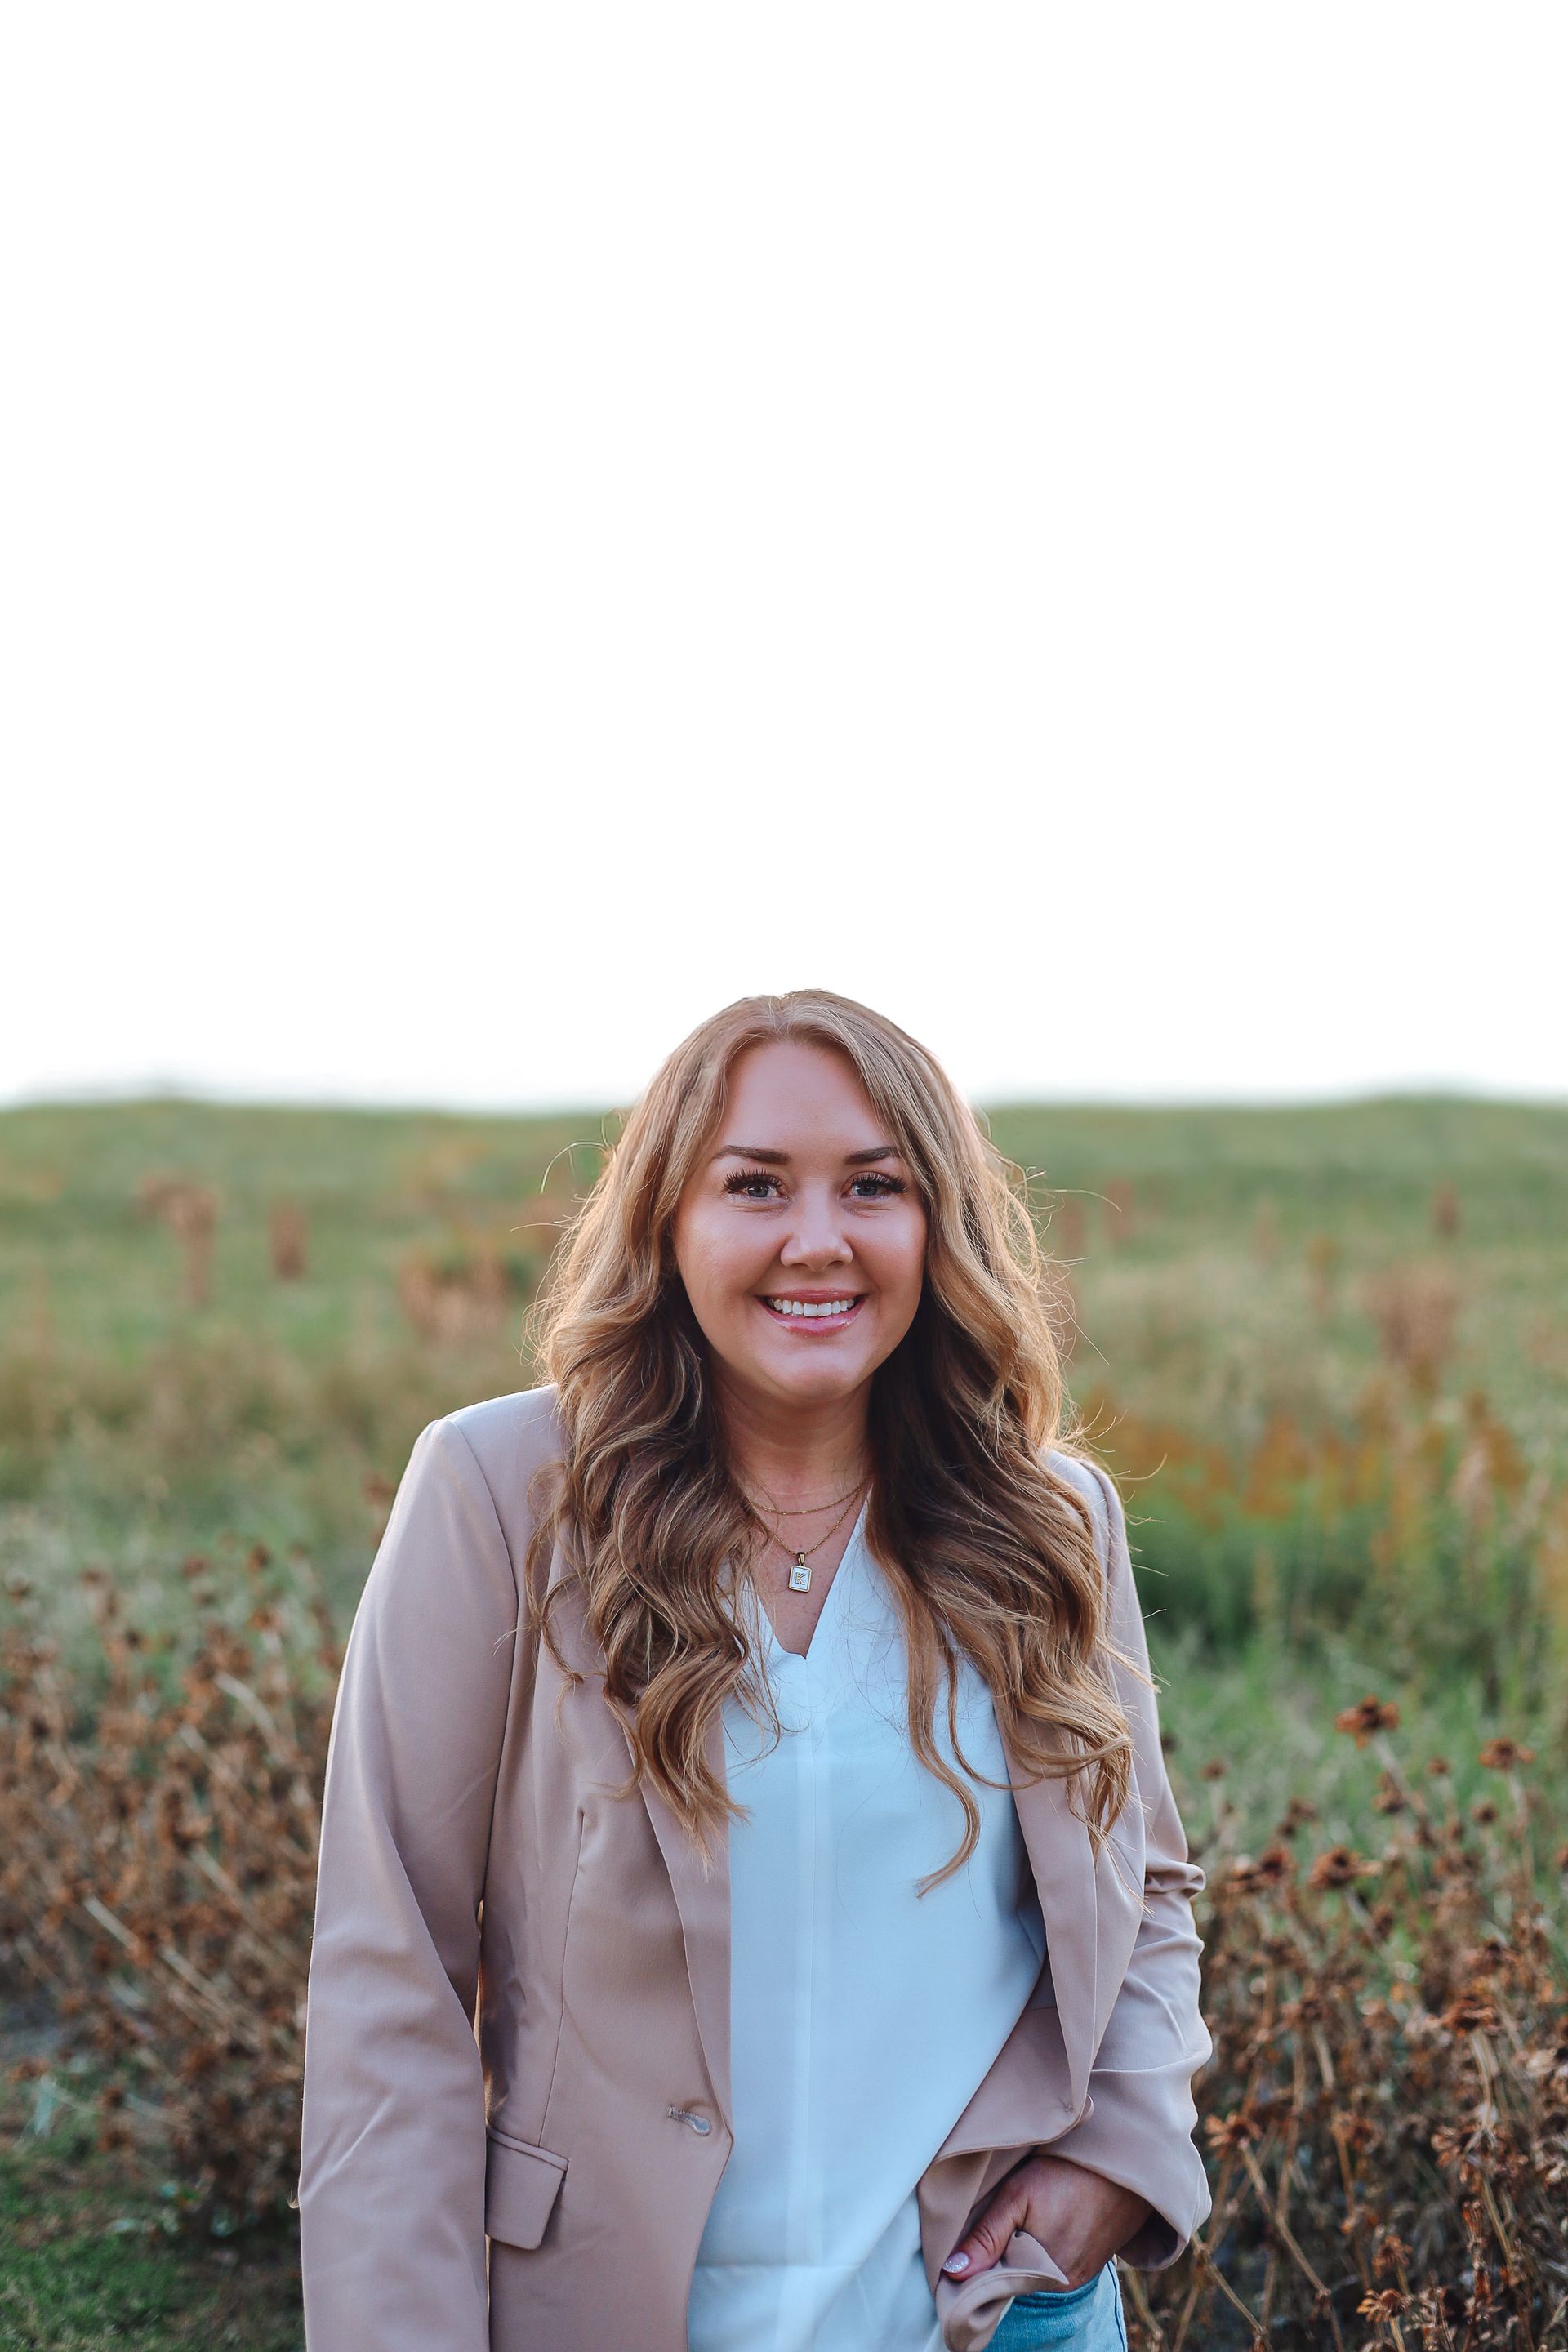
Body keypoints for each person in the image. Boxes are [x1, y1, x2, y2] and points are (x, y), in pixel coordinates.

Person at [296, 989, 1214, 2352]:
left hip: (993, 2319)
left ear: (936, 1224)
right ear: (667, 1221)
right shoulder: (501, 1494)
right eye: (755, 1185)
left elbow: (1137, 1886)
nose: (818, 1240)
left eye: (874, 1186)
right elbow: (392, 1974)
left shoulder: (1051, 1516)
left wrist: (1117, 2156)